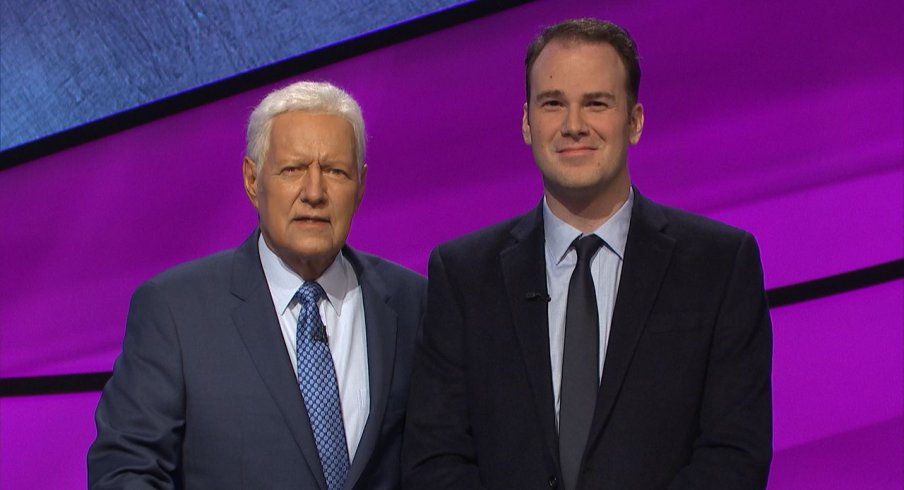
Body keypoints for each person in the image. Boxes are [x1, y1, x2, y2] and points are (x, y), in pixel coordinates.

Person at [402, 18, 772, 490]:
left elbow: (734, 457)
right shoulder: (462, 276)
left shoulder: (719, 265)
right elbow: (436, 460)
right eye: (553, 104)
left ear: (634, 121)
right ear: (527, 124)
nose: (574, 126)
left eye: (596, 103)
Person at [89, 81, 426, 489]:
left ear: (360, 185)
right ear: (253, 180)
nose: (314, 193)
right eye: (293, 170)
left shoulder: (414, 303)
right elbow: (125, 469)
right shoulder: (175, 311)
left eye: (335, 171)